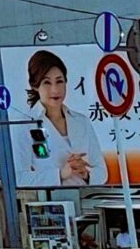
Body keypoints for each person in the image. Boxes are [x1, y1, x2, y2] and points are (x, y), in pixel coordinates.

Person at [26, 50, 108, 188]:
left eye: (59, 81)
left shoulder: (81, 121)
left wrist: (86, 173)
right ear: (35, 86)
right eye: (47, 82)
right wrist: (60, 174)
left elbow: (102, 172)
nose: (55, 90)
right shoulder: (25, 124)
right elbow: (19, 178)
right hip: (50, 202)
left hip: (86, 201)